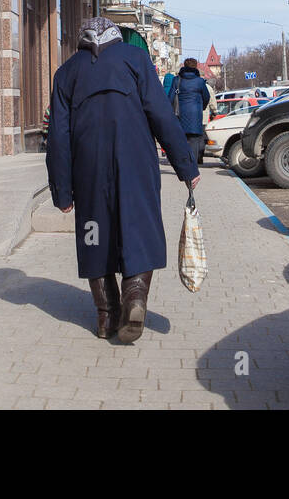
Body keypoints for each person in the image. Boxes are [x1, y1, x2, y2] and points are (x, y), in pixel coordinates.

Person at [46, 17, 200, 343]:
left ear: (83, 40)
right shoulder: (136, 60)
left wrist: (62, 191)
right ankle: (135, 297)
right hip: (136, 163)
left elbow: (58, 136)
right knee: (139, 227)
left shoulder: (66, 73)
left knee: (94, 235)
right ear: (116, 36)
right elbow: (160, 113)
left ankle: (106, 315)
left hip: (87, 168)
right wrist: (186, 167)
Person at [167, 57, 211, 166]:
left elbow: (170, 98)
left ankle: (182, 164)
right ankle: (192, 167)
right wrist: (202, 107)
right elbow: (207, 97)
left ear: (184, 67)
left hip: (180, 115)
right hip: (195, 115)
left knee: (181, 141)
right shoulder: (200, 81)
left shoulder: (177, 80)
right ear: (195, 67)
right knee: (194, 141)